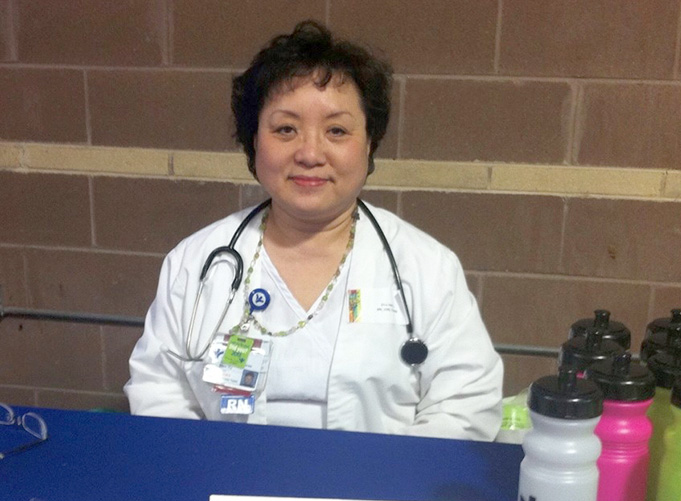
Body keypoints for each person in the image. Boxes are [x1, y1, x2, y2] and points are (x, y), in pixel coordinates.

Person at [124, 21, 503, 440]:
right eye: (286, 129)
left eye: (336, 131)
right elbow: (159, 389)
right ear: (254, 142)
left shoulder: (428, 268)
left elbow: (465, 403)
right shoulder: (196, 262)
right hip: (228, 488)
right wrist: (214, 475)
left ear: (369, 144)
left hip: (378, 493)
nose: (309, 153)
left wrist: (388, 489)